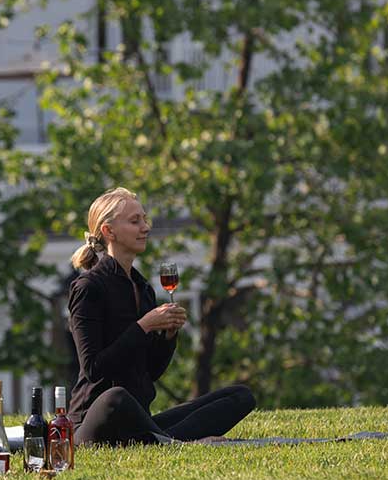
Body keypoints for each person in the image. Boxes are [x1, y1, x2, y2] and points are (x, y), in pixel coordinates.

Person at [67, 187, 255, 445]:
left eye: (145, 219)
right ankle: (172, 442)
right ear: (109, 231)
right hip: (98, 420)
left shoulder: (142, 288)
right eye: (135, 221)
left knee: (240, 396)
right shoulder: (89, 287)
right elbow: (93, 369)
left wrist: (168, 336)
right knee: (116, 396)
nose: (145, 227)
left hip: (139, 420)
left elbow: (150, 372)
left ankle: (161, 439)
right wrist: (143, 326)